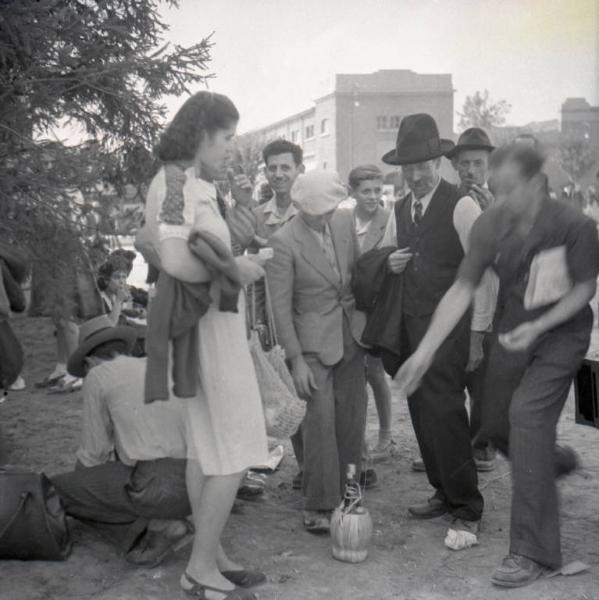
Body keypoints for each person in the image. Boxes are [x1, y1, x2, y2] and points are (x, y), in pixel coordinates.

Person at [397, 143, 599, 587]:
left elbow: (584, 289)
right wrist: (425, 351)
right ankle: (550, 460)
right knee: (490, 420)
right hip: (512, 330)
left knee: (527, 417)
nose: (499, 198)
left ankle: (533, 552)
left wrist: (540, 325)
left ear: (536, 185)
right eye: (495, 188)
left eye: (509, 189)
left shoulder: (574, 225)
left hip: (561, 333)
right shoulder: (490, 224)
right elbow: (461, 289)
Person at [139, 91, 267, 600]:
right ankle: (199, 569)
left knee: (207, 449)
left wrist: (239, 261)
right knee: (233, 448)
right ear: (203, 134)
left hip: (213, 325)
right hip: (206, 330)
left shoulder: (194, 183)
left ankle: (211, 554)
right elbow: (171, 258)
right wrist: (238, 269)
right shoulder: (174, 182)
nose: (231, 148)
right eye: (228, 137)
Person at [379, 113, 492, 543]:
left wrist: (478, 333)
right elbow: (388, 255)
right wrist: (388, 262)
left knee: (445, 414)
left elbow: (483, 273)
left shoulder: (461, 205)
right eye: (408, 169)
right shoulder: (400, 208)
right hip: (411, 328)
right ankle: (442, 492)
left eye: (423, 167)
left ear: (439, 164)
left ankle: (467, 505)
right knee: (422, 414)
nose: (416, 176)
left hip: (450, 332)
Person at [266, 170, 368, 534]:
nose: (324, 218)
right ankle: (319, 503)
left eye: (329, 210)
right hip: (310, 347)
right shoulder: (283, 242)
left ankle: (350, 493)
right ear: (298, 207)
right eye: (316, 213)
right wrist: (295, 361)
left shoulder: (342, 220)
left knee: (351, 422)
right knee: (320, 425)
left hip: (350, 337)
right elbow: (280, 309)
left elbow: (354, 274)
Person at [51, 316, 192, 567]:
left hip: (158, 484)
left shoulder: (98, 375)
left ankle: (155, 527)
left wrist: (82, 488)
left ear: (89, 361)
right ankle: (162, 521)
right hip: (198, 484)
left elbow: (92, 453)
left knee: (55, 490)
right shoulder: (156, 365)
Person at [446, 127, 499, 472]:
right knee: (451, 380)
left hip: (491, 306)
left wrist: (495, 214)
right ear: (454, 166)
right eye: (464, 164)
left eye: (477, 163)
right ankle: (451, 444)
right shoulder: (447, 201)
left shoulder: (503, 201)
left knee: (483, 379)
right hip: (452, 305)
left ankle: (482, 444)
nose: (470, 171)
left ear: (489, 165)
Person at [346, 164, 395, 460]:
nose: (373, 196)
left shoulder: (389, 220)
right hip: (351, 307)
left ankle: (386, 436)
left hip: (377, 308)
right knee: (354, 375)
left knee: (375, 373)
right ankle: (358, 437)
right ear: (352, 192)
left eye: (377, 190)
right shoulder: (343, 221)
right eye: (366, 191)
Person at [250, 139, 304, 249]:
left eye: (285, 168)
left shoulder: (313, 212)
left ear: (300, 170)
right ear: (265, 172)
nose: (278, 175)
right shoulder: (256, 217)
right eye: (273, 168)